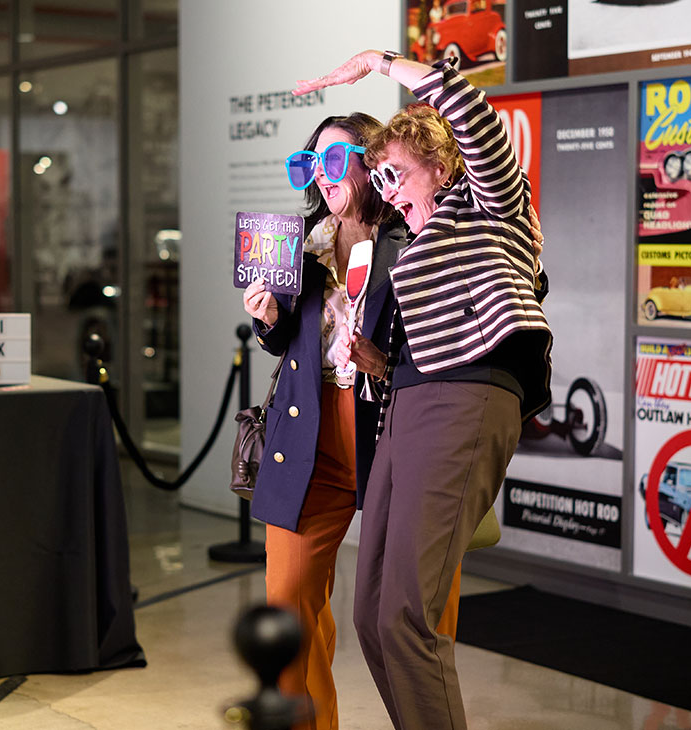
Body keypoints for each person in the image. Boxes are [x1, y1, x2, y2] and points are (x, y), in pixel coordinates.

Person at [296, 51, 552, 729]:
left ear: (442, 166)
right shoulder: (413, 238)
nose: (390, 188)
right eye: (380, 176)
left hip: (469, 399)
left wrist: (380, 64)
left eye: (398, 173)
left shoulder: (492, 203)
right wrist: (381, 363)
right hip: (411, 399)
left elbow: (472, 116)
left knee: (407, 614)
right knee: (373, 612)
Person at [243, 112, 434, 730]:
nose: (321, 177)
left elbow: (445, 344)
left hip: (393, 432)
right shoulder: (298, 239)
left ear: (370, 161)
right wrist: (268, 318)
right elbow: (283, 344)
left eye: (332, 161)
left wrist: (383, 363)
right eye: (309, 164)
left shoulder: (416, 232)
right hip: (308, 436)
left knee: (409, 617)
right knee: (289, 607)